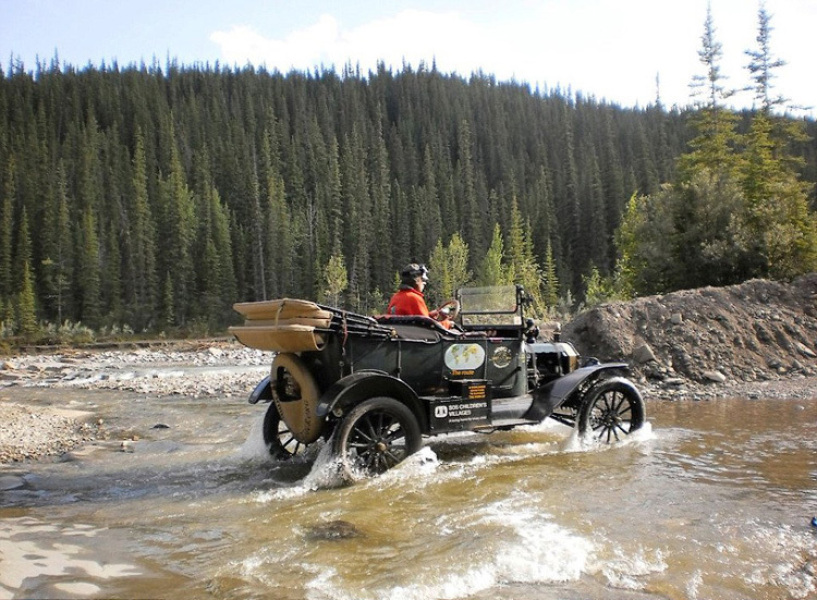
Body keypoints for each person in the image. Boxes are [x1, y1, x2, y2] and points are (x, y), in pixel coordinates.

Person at [386, 263, 458, 329]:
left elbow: (415, 318)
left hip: (401, 335)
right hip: (416, 338)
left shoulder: (395, 297)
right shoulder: (414, 298)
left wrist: (429, 315)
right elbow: (428, 327)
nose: (424, 283)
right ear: (416, 281)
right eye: (423, 280)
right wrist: (447, 324)